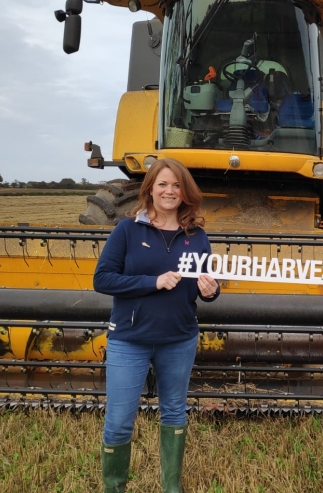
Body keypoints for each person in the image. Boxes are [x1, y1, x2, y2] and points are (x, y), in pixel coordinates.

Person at [93, 158, 220, 493]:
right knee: (119, 422)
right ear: (149, 189)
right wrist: (153, 282)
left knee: (175, 412)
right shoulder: (128, 230)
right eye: (163, 184)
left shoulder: (197, 236)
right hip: (130, 339)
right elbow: (103, 279)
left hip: (178, 338)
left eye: (177, 185)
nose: (169, 191)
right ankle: (114, 487)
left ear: (185, 192)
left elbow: (199, 286)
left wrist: (212, 290)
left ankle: (171, 487)